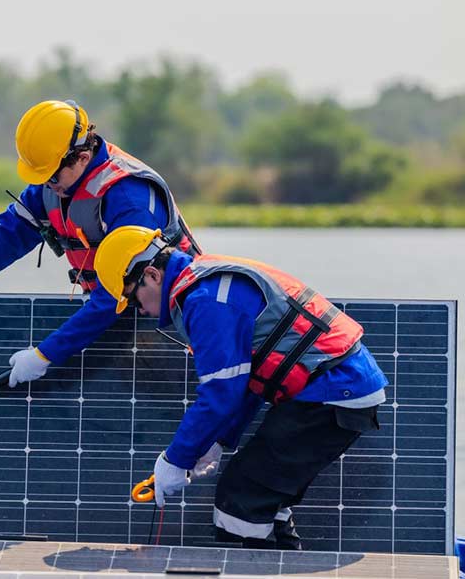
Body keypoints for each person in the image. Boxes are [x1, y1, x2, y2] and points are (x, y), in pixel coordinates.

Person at [92, 226, 388, 550]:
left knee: (240, 500)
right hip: (335, 386)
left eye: (134, 301)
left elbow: (221, 394)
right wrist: (218, 442)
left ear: (151, 274)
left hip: (333, 389)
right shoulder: (205, 282)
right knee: (261, 495)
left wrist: (175, 459)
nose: (143, 312)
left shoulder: (206, 300)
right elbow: (247, 381)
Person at [0, 99, 201, 387]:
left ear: (82, 157)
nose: (46, 184)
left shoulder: (129, 196)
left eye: (50, 175)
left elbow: (116, 293)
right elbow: (11, 230)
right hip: (116, 316)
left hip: (175, 320)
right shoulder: (56, 182)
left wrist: (46, 354)